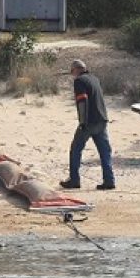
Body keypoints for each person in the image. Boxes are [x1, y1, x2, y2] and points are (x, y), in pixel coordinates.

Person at [60, 59, 115, 191]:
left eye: (72, 72)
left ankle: (74, 180)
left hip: (89, 121)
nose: (72, 75)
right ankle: (109, 181)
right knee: (105, 152)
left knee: (76, 149)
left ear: (76, 70)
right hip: (102, 119)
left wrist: (82, 122)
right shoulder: (95, 79)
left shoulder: (79, 81)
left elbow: (82, 101)